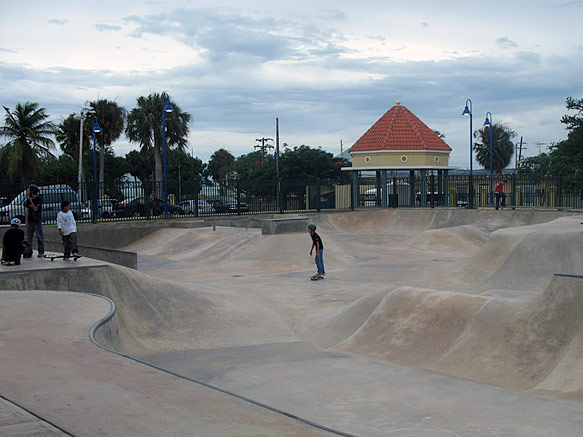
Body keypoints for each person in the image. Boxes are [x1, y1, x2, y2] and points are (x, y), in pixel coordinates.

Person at [24, 184, 44, 257]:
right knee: (29, 237)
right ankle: (29, 251)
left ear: (32, 191)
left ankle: (41, 252)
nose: (27, 192)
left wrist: (31, 201)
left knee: (39, 236)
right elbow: (28, 210)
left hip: (37, 220)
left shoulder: (38, 199)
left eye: (28, 190)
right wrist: (26, 221)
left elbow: (35, 209)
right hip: (30, 220)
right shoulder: (27, 199)